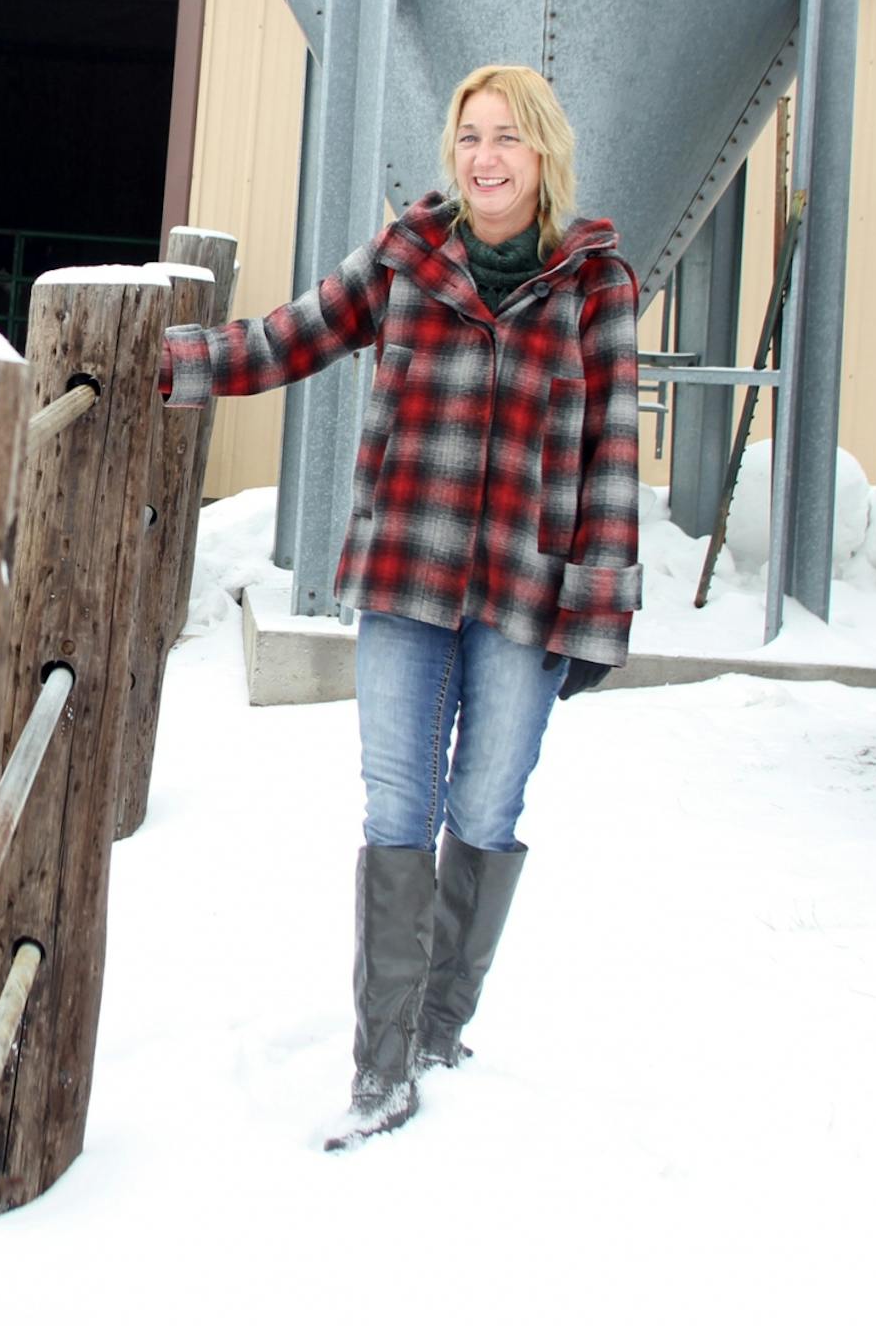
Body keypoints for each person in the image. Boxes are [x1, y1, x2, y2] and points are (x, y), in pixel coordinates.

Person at [158, 64, 642, 1149]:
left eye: (508, 138)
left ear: (545, 154)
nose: (485, 156)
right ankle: (382, 1070)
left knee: (485, 808)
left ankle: (439, 1030)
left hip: (523, 590)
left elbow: (614, 454)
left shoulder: (597, 285)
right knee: (394, 809)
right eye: (469, 135)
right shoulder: (406, 259)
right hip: (406, 579)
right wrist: (166, 363)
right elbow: (291, 336)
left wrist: (600, 608)